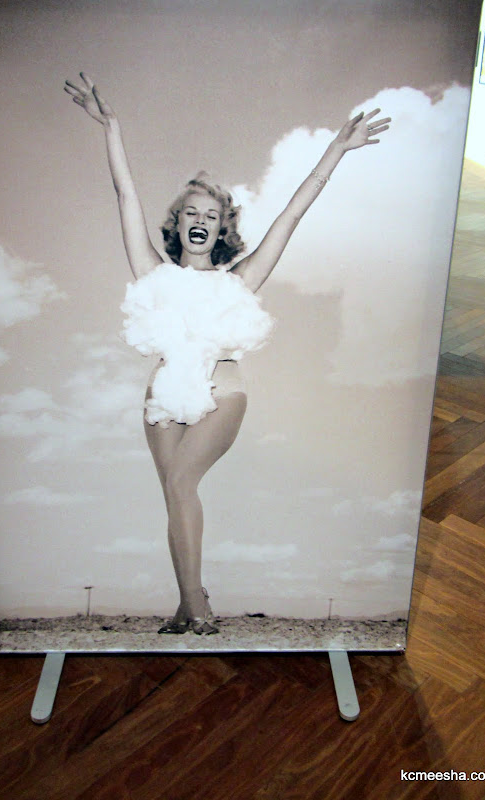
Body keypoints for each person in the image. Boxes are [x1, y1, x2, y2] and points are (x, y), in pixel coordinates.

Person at [64, 72, 390, 635]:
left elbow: (291, 216)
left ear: (222, 230)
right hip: (164, 395)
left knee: (181, 485)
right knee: (175, 496)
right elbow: (125, 195)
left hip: (222, 391)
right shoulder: (151, 270)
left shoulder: (241, 278)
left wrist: (336, 150)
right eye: (191, 213)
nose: (200, 221)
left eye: (210, 216)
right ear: (177, 223)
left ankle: (197, 604)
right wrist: (110, 125)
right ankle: (186, 606)